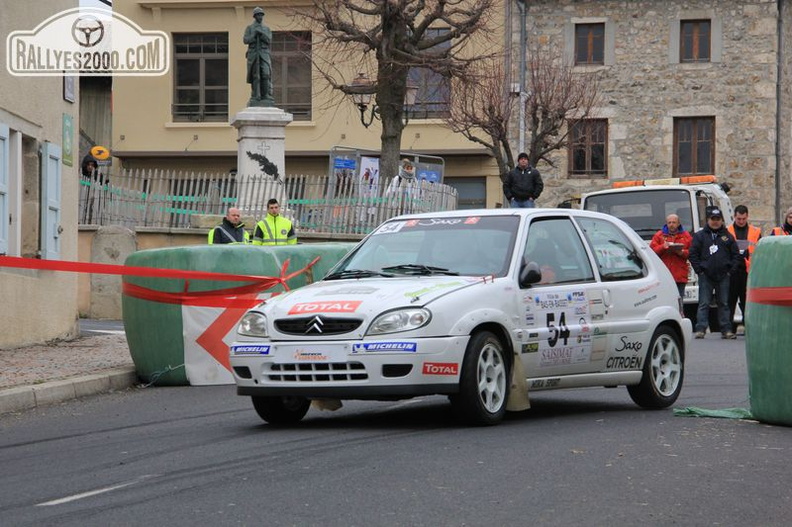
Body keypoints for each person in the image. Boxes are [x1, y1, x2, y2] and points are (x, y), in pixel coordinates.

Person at [688, 206, 740, 339]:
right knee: (703, 303)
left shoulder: (728, 236)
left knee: (724, 304)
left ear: (721, 220)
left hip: (723, 276)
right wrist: (699, 271)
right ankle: (700, 329)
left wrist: (730, 271)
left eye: (718, 219)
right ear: (708, 220)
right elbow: (693, 254)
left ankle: (726, 330)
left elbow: (735, 255)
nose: (715, 222)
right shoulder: (700, 236)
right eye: (713, 219)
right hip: (706, 275)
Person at [726, 205, 761, 334]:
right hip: (733, 270)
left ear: (747, 217)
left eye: (743, 218)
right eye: (739, 218)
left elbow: (759, 249)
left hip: (748, 271)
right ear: (734, 217)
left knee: (747, 301)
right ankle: (728, 328)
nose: (741, 221)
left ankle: (749, 327)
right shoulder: (727, 230)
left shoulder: (755, 231)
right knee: (730, 300)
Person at [649, 213, 693, 299]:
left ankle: (680, 312)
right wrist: (662, 247)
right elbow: (651, 252)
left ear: (678, 223)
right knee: (665, 299)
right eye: (669, 222)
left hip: (679, 275)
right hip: (664, 275)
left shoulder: (686, 236)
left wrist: (682, 253)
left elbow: (693, 252)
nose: (671, 224)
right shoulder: (659, 235)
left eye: (674, 222)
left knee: (679, 300)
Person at [244, 7, 273, 106]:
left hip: (264, 53)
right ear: (255, 16)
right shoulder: (250, 28)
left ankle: (265, 95)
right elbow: (246, 40)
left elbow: (269, 40)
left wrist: (261, 34)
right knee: (255, 75)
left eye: (261, 15)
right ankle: (255, 95)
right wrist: (254, 35)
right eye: (258, 15)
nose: (260, 16)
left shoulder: (266, 29)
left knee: (266, 73)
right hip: (254, 53)